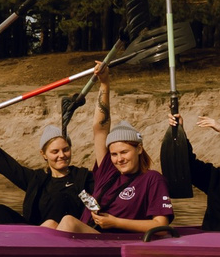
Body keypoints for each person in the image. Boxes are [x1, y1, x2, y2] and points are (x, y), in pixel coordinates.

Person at [50, 80, 172, 236]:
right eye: (114, 154)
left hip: (113, 243)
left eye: (124, 152)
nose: (119, 159)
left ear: (139, 148)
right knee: (50, 223)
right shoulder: (108, 171)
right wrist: (104, 84)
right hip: (88, 236)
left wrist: (115, 222)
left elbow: (161, 226)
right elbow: (100, 129)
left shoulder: (152, 179)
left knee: (68, 221)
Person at [0, 102, 97, 226]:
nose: (62, 155)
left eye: (66, 149)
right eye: (55, 151)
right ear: (44, 154)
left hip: (68, 236)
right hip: (36, 237)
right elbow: (1, 161)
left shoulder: (83, 177)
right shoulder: (36, 179)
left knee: (59, 198)